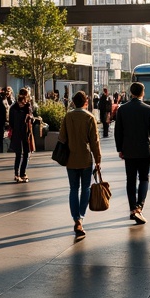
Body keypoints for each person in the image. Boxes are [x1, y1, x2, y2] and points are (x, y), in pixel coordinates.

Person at [114, 81, 150, 224]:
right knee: (144, 178)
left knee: (130, 180)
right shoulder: (148, 109)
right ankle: (139, 207)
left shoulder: (122, 110)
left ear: (131, 92)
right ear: (143, 93)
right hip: (144, 150)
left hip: (128, 150)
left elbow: (118, 132)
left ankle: (132, 209)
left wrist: (120, 149)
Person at [59, 91, 102, 237]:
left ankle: (75, 218)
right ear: (86, 102)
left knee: (73, 189)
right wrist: (98, 159)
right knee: (86, 188)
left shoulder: (68, 116)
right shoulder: (90, 117)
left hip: (71, 158)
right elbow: (95, 141)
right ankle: (81, 218)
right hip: (85, 159)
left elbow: (62, 137)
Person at [9, 87, 35, 182]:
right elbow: (31, 119)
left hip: (16, 132)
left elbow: (10, 122)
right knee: (26, 153)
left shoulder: (13, 107)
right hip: (26, 133)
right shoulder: (27, 107)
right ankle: (23, 173)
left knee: (18, 154)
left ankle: (17, 174)